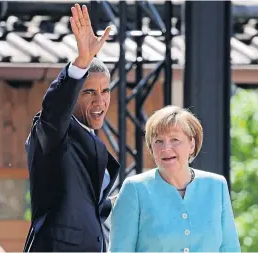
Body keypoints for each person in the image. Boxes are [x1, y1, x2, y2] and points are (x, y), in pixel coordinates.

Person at [23, 3, 120, 252]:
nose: (100, 101)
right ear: (74, 95)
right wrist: (81, 63)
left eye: (105, 91)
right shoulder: (53, 133)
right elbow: (55, 111)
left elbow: (86, 207)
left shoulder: (89, 139)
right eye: (89, 92)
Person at [109, 105, 241, 252]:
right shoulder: (134, 189)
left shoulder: (216, 186)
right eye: (158, 141)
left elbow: (230, 248)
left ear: (192, 144)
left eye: (174, 139)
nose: (166, 148)